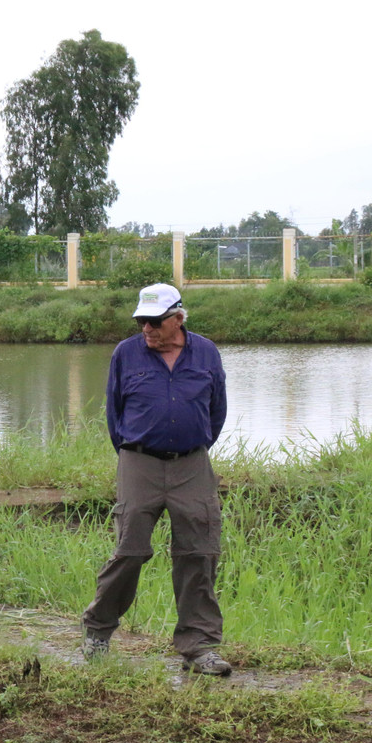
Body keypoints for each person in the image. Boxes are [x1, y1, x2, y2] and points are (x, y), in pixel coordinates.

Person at [82, 283, 231, 676]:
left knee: (199, 552)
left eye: (154, 322)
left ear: (178, 318)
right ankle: (98, 629)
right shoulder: (125, 354)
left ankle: (199, 647)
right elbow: (114, 414)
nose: (146, 328)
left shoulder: (207, 352)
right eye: (141, 321)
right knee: (130, 549)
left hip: (192, 464)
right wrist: (136, 453)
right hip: (138, 462)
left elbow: (217, 412)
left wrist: (189, 446)